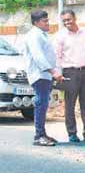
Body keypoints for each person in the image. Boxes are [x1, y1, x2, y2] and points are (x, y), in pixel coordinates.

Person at [55, 9, 85, 142]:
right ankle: (72, 133)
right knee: (70, 105)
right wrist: (57, 74)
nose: (66, 22)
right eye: (64, 21)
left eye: (69, 19)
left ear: (75, 18)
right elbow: (57, 56)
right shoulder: (60, 36)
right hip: (69, 72)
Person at [23, 10, 64, 146]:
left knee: (44, 103)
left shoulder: (42, 35)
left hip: (45, 74)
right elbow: (38, 56)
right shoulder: (34, 35)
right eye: (44, 21)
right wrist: (53, 71)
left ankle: (42, 134)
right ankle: (38, 136)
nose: (48, 23)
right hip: (40, 74)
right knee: (41, 103)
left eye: (47, 20)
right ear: (36, 23)